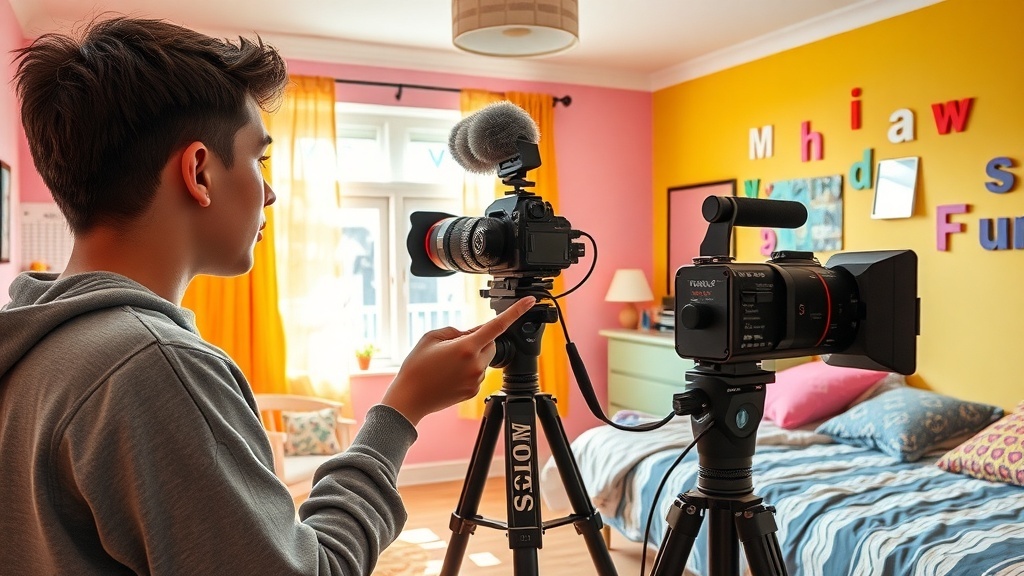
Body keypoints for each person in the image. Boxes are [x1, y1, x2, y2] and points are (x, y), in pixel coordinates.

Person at [0, 16, 534, 575]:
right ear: (199, 172)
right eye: (261, 158)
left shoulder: (36, 342)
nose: (271, 192)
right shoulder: (150, 367)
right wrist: (400, 412)